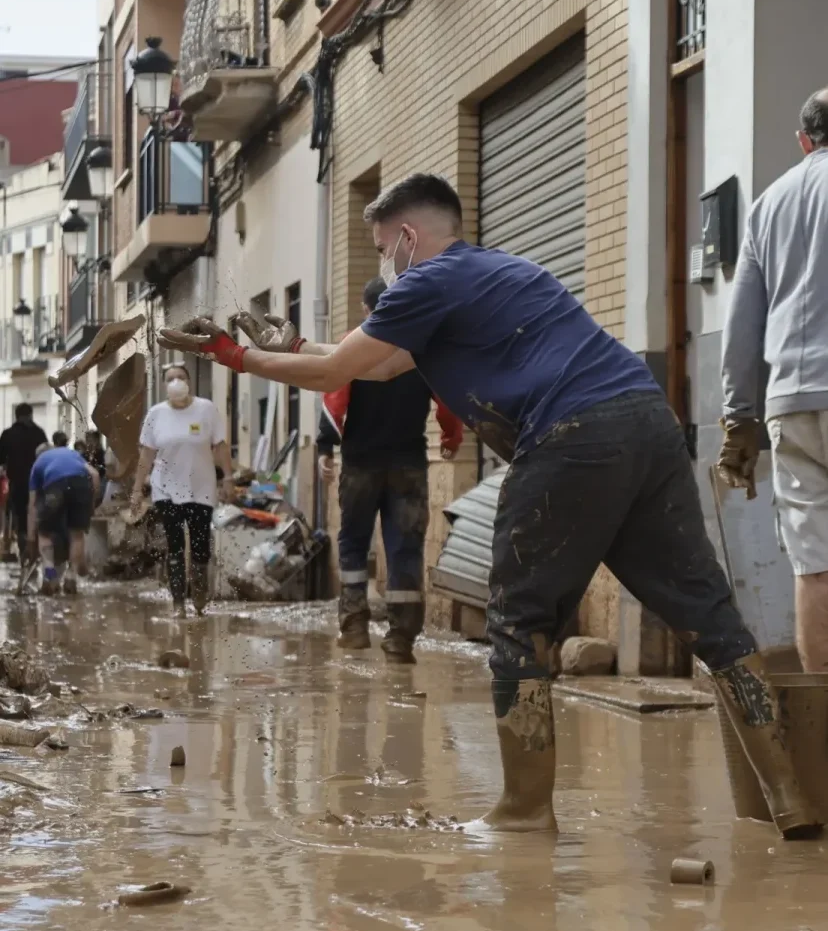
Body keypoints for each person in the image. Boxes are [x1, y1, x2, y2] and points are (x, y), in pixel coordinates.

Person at [158, 172, 821, 841]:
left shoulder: (425, 280)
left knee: (517, 620)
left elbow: (338, 374)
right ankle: (790, 798)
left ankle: (525, 811)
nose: (384, 264)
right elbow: (376, 364)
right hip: (648, 421)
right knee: (710, 616)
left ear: (408, 236)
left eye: (383, 248)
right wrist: (292, 348)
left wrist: (234, 355)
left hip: (571, 435)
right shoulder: (498, 272)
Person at [720, 89, 828, 674]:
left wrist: (739, 418)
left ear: (804, 141)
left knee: (815, 565)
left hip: (791, 404)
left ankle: (822, 718)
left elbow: (742, 322)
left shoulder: (769, 204)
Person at [313, 278, 463, 661]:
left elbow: (333, 397)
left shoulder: (354, 345)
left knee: (353, 543)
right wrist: (451, 436)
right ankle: (400, 640)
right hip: (408, 465)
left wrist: (326, 446)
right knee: (405, 547)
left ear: (366, 309)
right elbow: (448, 398)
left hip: (360, 463)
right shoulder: (420, 347)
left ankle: (354, 627)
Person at [131, 364, 233, 617]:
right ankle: (178, 602)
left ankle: (199, 591)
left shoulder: (206, 409)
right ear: (164, 385)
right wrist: (137, 489)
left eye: (180, 377)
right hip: (165, 488)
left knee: (200, 545)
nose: (176, 382)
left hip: (201, 488)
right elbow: (146, 455)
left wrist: (228, 478)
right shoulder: (156, 414)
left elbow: (220, 445)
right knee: (174, 544)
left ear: (189, 382)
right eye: (170, 379)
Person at [28, 441, 99, 595]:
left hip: (55, 488)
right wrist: (90, 504)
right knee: (77, 535)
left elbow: (32, 504)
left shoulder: (38, 464)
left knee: (45, 533)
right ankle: (71, 577)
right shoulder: (72, 454)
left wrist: (31, 534)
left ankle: (50, 576)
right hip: (81, 485)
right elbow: (94, 475)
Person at [0, 403, 48, 566]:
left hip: (17, 483)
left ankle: (24, 555)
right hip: (39, 482)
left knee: (21, 519)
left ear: (16, 415)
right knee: (38, 517)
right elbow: (45, 455)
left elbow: (1, 459)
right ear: (30, 415)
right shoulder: (39, 433)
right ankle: (39, 555)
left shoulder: (7, 434)